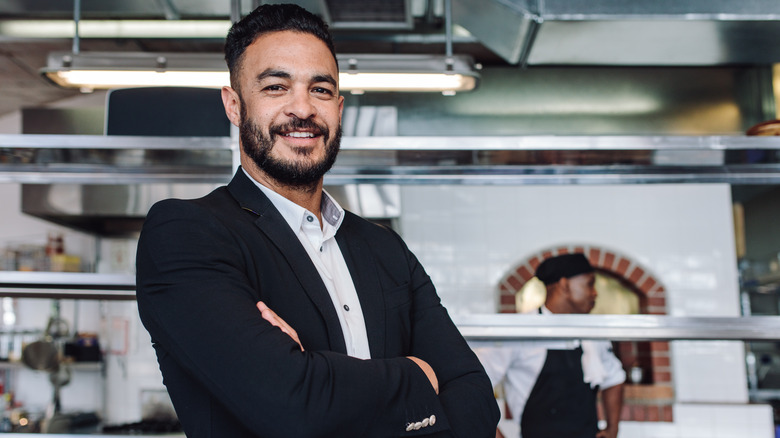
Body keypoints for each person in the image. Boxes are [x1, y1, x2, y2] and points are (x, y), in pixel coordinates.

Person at [135, 4, 499, 437]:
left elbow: (477, 399)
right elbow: (293, 404)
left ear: (339, 108)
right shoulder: (187, 233)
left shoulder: (384, 248)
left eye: (321, 90)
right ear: (234, 105)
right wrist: (421, 375)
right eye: (275, 87)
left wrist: (320, 375)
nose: (302, 109)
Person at [474, 253, 625, 438]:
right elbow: (473, 385)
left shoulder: (590, 331)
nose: (595, 293)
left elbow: (614, 378)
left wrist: (612, 430)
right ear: (564, 285)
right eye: (589, 284)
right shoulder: (520, 329)